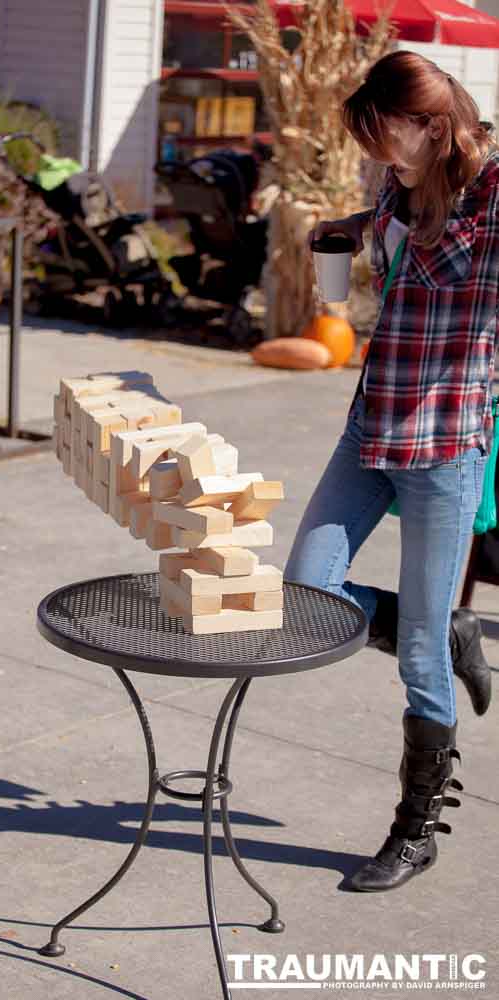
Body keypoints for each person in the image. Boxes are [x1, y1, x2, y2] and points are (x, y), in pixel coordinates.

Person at [285, 49, 497, 892]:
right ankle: (447, 625)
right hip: (369, 424)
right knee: (305, 594)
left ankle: (414, 833)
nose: (376, 154)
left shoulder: (492, 194)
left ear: (432, 127)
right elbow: (394, 242)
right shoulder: (396, 188)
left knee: (415, 661)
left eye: (385, 137)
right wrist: (347, 228)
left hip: (444, 444)